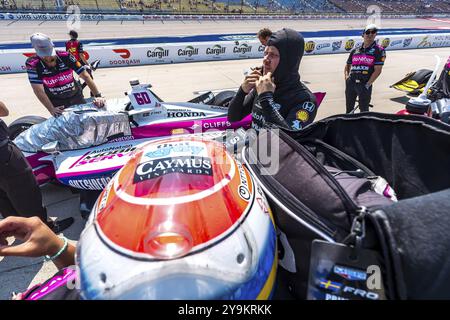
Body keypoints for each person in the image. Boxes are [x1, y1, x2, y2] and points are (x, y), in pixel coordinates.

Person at [0, 101, 73, 234]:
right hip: (3, 154)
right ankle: (44, 230)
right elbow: (4, 111)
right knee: (26, 191)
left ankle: (16, 228)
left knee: (3, 194)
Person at [228, 28, 317, 131]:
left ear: (288, 61)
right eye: (265, 53)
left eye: (273, 55)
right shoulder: (262, 85)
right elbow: (233, 118)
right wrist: (242, 91)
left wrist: (266, 98)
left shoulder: (305, 100)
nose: (266, 59)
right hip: (254, 146)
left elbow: (286, 141)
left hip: (273, 147)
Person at [26, 33, 105, 117]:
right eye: (45, 58)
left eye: (52, 58)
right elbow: (38, 90)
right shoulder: (32, 64)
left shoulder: (65, 56)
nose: (49, 60)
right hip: (57, 102)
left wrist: (98, 96)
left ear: (53, 47)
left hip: (76, 97)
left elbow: (85, 75)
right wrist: (51, 109)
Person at [344, 24, 386, 113]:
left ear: (375, 35)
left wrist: (368, 84)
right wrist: (347, 78)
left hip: (364, 84)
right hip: (351, 83)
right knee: (349, 110)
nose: (370, 34)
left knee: (364, 111)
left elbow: (378, 70)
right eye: (367, 32)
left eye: (373, 32)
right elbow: (347, 65)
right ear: (363, 35)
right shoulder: (355, 50)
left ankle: (362, 127)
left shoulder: (379, 50)